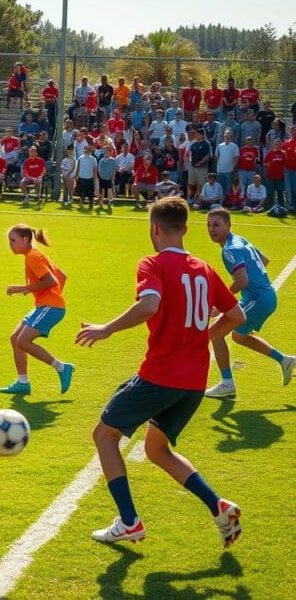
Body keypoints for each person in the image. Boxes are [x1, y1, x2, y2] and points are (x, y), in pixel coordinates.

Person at [75, 197, 245, 547]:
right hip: (194, 382)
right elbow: (236, 317)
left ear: (154, 228)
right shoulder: (205, 268)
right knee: (156, 449)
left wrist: (106, 328)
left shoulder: (152, 263)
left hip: (161, 375)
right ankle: (218, 505)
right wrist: (201, 337)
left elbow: (149, 305)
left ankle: (129, 522)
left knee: (104, 436)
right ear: (185, 229)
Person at [204, 209, 294, 398]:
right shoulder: (239, 240)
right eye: (209, 225)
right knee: (238, 336)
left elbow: (242, 281)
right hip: (261, 297)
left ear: (228, 226)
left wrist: (221, 305)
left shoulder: (230, 250)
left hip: (257, 299)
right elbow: (264, 260)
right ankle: (285, 360)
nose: (212, 229)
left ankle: (227, 384)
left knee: (215, 333)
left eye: (216, 225)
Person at [0, 225, 74, 397]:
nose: (10, 244)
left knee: (23, 341)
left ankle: (62, 367)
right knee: (15, 338)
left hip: (50, 307)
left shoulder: (33, 257)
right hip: (46, 305)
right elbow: (62, 276)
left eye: (13, 240)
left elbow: (52, 280)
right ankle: (23, 382)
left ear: (25, 239)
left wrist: (25, 288)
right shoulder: (34, 254)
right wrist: (49, 296)